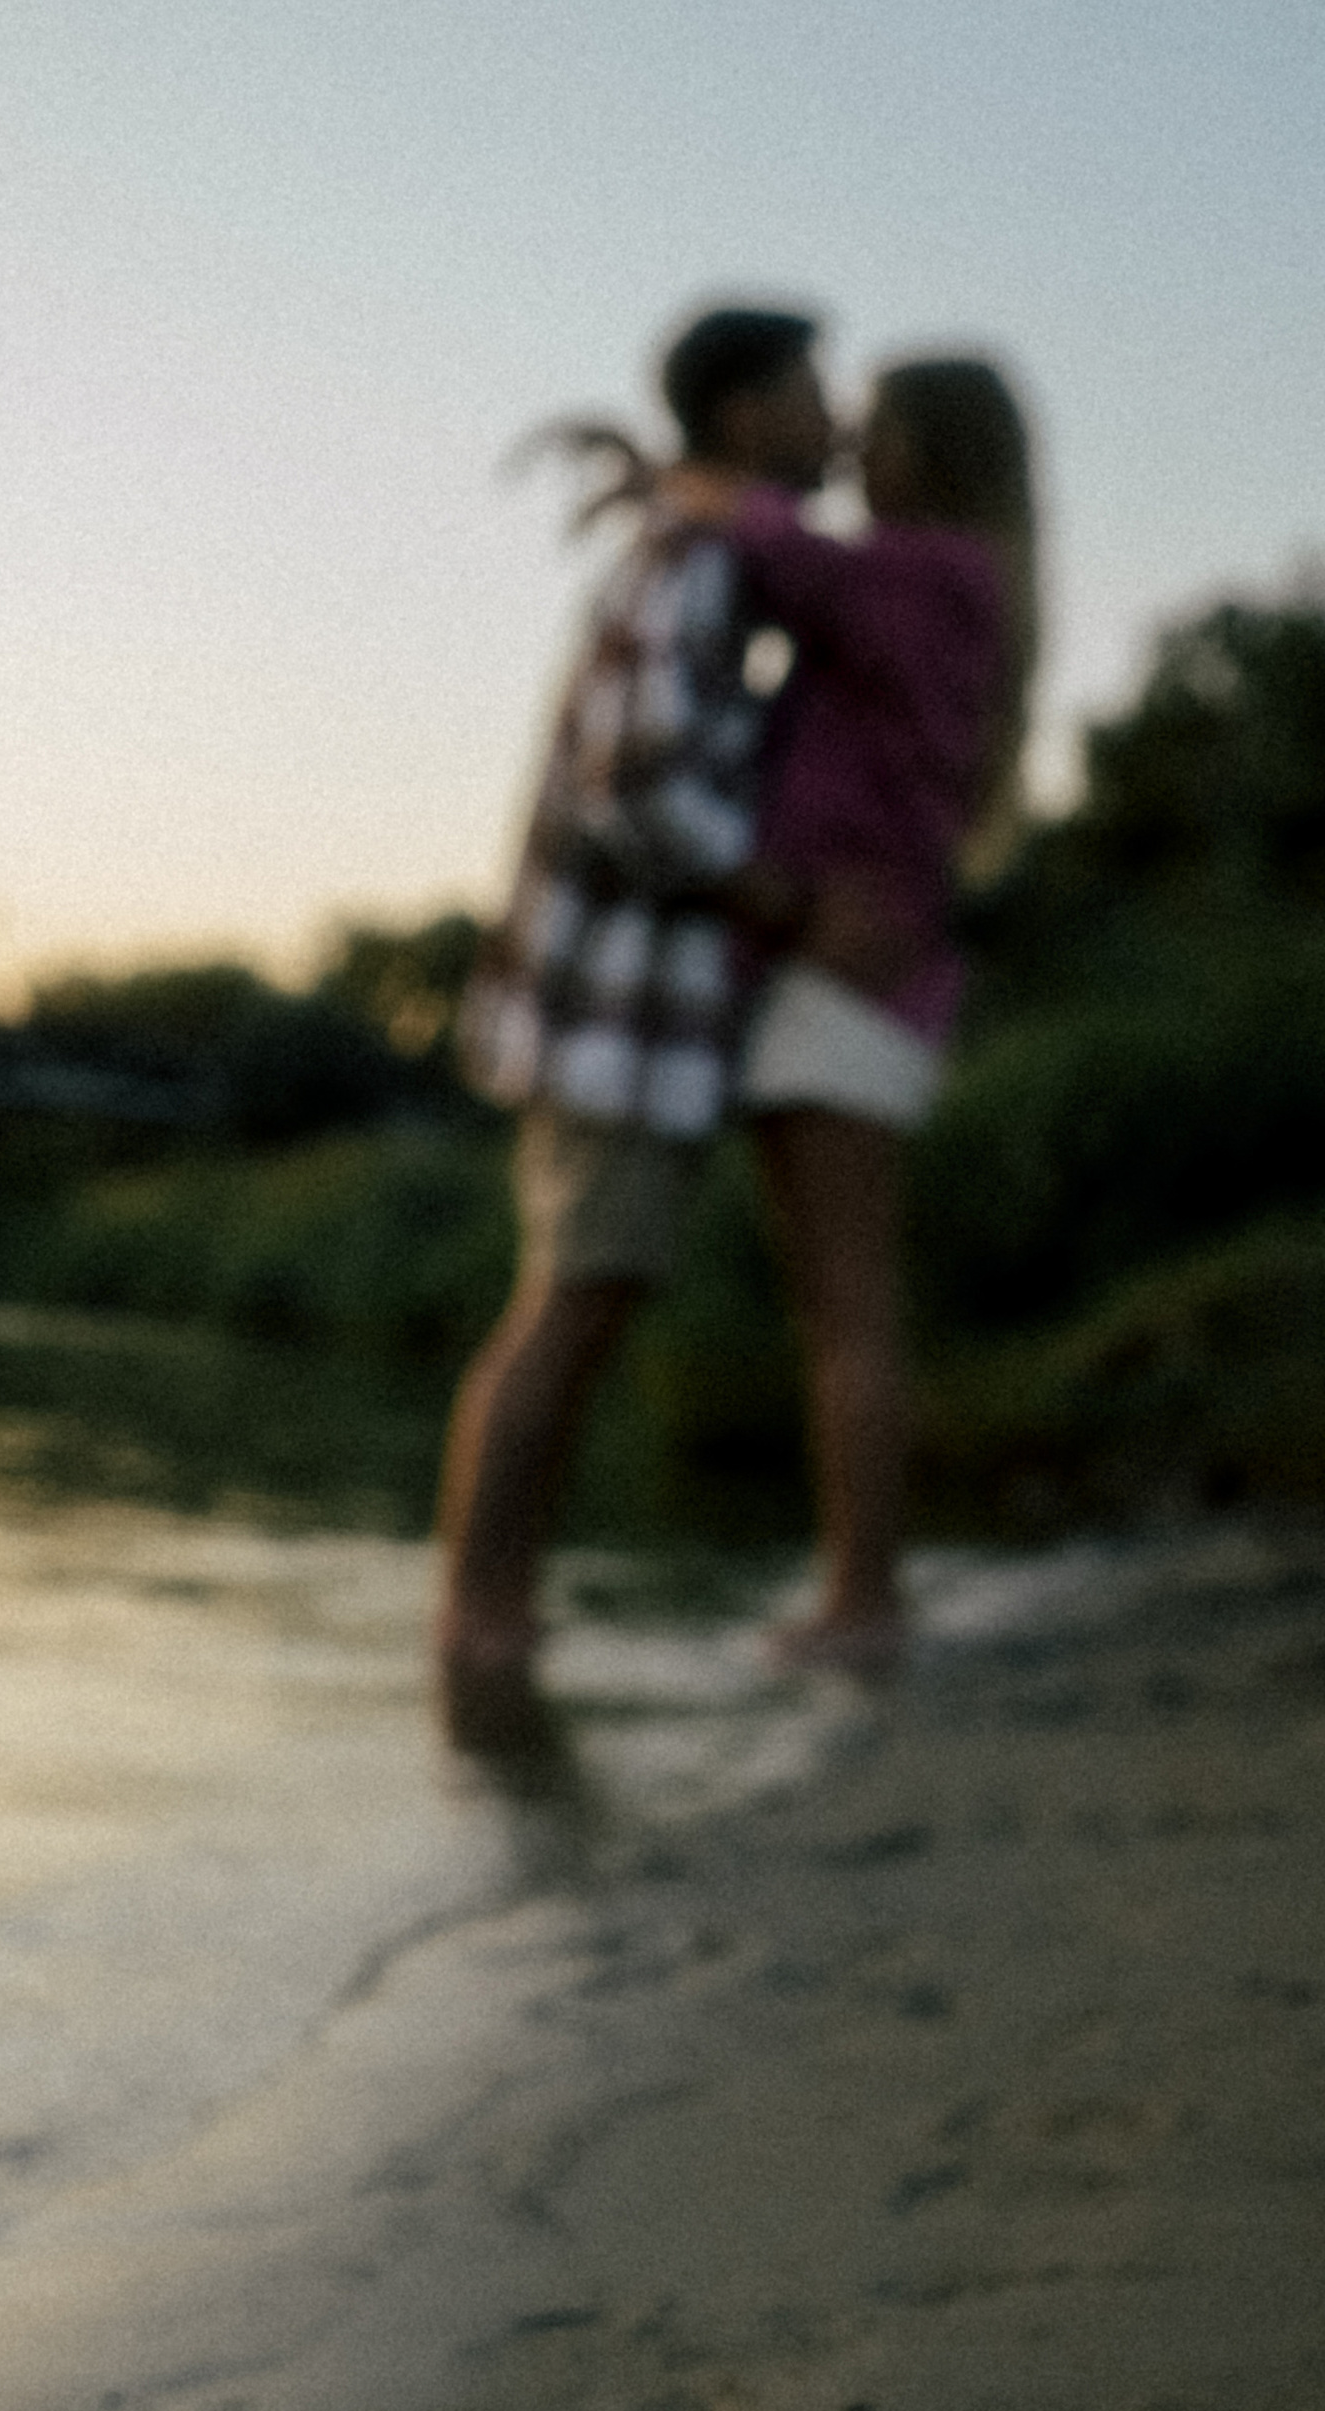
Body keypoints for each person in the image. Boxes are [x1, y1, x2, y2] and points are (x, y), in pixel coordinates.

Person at [434, 307, 833, 1699]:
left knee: (580, 1302)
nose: (830, 418)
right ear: (742, 413)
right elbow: (639, 779)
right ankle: (484, 1627)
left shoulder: (706, 549)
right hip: (614, 1016)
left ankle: (494, 1619)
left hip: (625, 1016)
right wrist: (770, 892)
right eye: (807, 393)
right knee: (572, 1304)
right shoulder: (701, 556)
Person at [664, 356, 1038, 1673]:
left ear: (934, 450)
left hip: (854, 979)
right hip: (851, 972)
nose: (854, 451)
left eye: (876, 432)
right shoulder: (954, 581)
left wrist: (696, 485)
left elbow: (790, 561)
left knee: (849, 1309)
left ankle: (862, 1606)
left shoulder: (932, 573)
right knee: (839, 1306)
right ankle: (859, 1590)